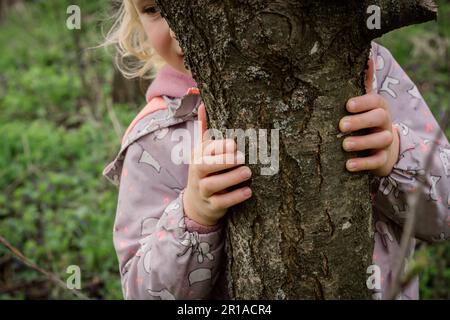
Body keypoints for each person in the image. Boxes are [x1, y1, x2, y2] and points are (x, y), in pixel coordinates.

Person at [102, 0, 450, 299]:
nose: (181, 25)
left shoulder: (363, 71)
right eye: (154, 8)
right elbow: (140, 290)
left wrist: (397, 156)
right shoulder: (157, 137)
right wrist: (192, 215)